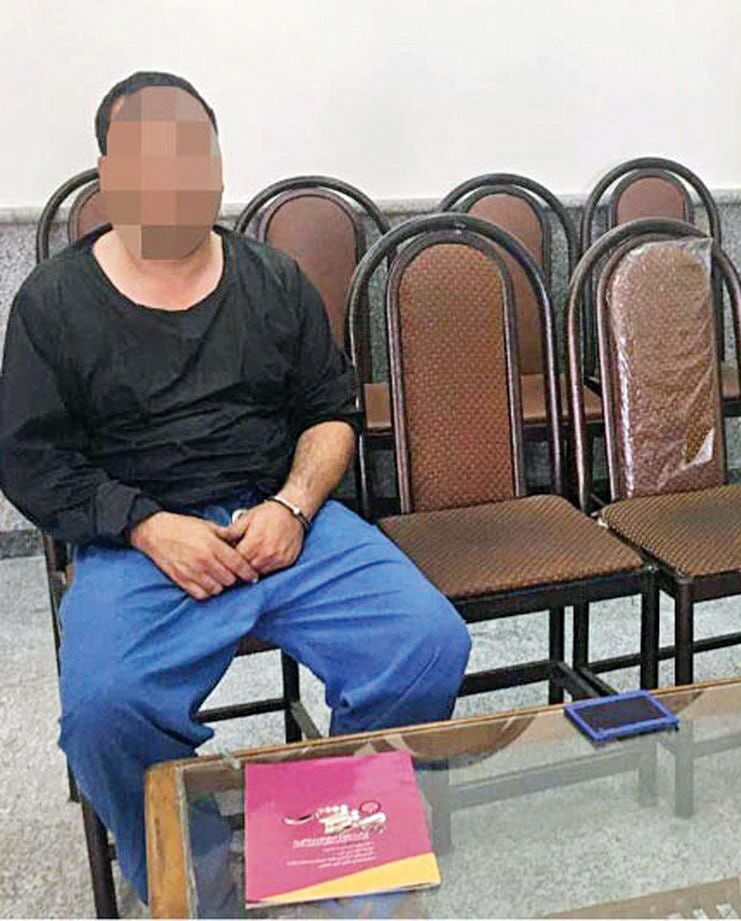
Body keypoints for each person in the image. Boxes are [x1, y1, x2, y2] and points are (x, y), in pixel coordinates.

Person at [0, 71, 470, 904]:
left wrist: (292, 505)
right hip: (139, 541)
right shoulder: (55, 302)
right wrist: (147, 525)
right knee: (105, 711)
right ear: (109, 174)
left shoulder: (272, 280)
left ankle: (336, 837)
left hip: (282, 517)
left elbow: (330, 415)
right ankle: (202, 876)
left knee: (425, 643)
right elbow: (32, 460)